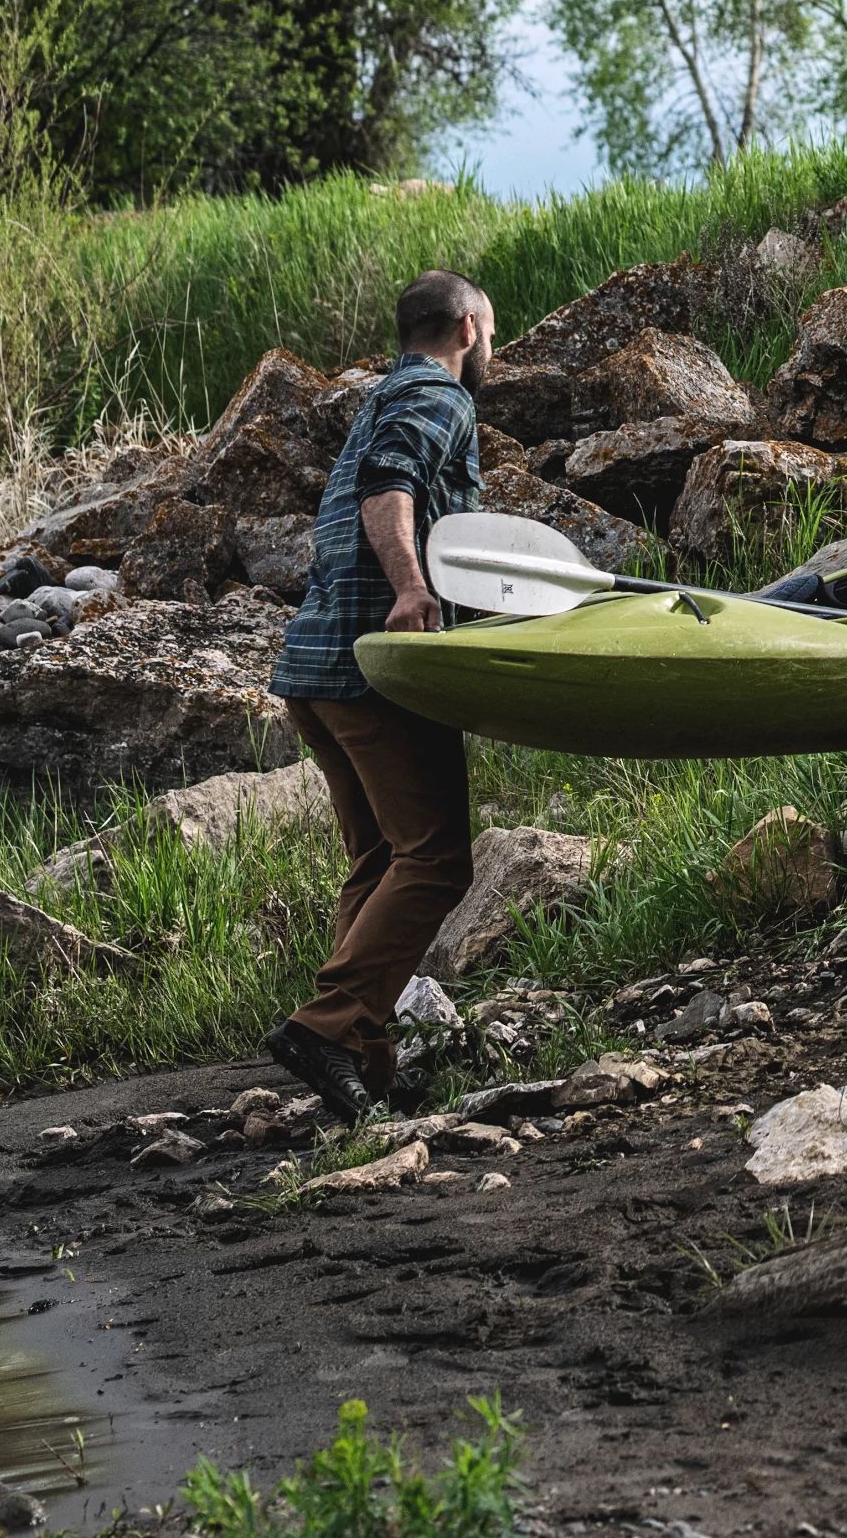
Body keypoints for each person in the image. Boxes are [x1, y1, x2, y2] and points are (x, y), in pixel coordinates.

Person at [261, 268, 491, 1122]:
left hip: (315, 672)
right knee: (435, 859)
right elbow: (390, 487)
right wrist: (411, 587)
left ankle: (366, 1064)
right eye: (489, 331)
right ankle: (327, 1027)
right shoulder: (441, 395)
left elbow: (376, 479)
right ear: (467, 327)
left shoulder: (380, 396)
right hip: (376, 668)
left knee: (381, 860)